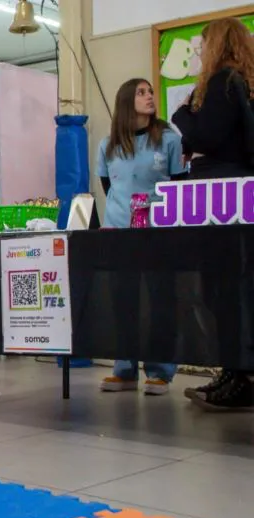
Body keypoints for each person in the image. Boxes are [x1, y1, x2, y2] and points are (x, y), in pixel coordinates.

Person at [172, 17, 254, 410]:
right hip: (236, 194)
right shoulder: (243, 83)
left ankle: (239, 374)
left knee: (222, 291)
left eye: (202, 44)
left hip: (220, 198)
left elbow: (207, 137)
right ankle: (236, 372)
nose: (198, 52)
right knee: (235, 290)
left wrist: (182, 115)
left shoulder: (223, 82)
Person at [96, 78, 186, 395]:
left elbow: (179, 185)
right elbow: (109, 188)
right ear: (126, 101)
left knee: (160, 301)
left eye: (151, 92)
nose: (149, 97)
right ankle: (125, 370)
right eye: (142, 93)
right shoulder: (107, 146)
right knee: (123, 302)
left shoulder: (170, 140)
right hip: (119, 234)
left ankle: (161, 370)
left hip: (158, 234)